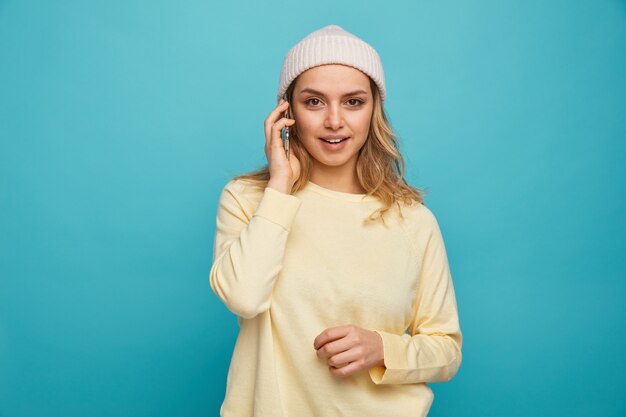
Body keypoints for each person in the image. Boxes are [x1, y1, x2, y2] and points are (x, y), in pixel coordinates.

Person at [209, 24, 462, 417]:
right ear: (286, 111)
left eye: (353, 102)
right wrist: (280, 186)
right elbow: (243, 297)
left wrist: (383, 349)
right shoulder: (249, 200)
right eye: (313, 102)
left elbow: (446, 350)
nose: (334, 121)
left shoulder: (413, 221)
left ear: (373, 110)